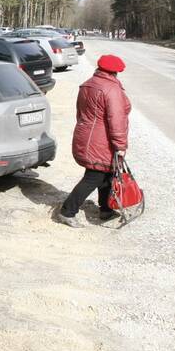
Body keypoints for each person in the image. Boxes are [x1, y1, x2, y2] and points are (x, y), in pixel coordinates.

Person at [56, 54, 131, 228]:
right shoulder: (111, 89)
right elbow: (116, 119)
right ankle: (67, 211)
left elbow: (81, 113)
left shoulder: (88, 84)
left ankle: (105, 209)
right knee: (94, 176)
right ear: (115, 72)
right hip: (101, 140)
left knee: (107, 174)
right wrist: (120, 145)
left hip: (86, 135)